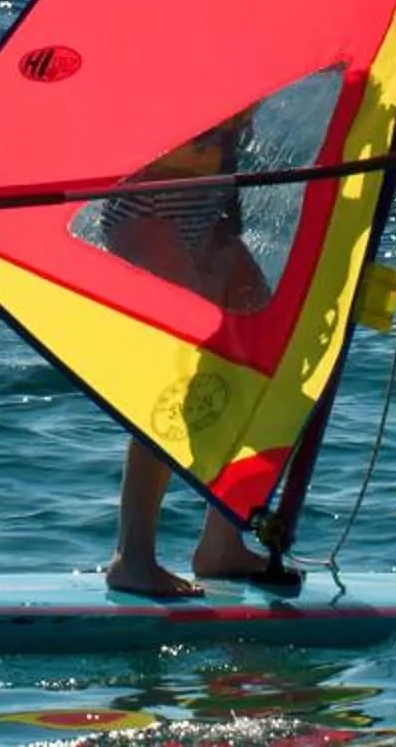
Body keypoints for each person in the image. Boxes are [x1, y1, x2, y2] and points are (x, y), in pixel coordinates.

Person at [89, 114, 301, 598]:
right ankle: (133, 557)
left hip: (213, 216)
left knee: (267, 362)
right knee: (173, 375)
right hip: (147, 211)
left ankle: (221, 544)